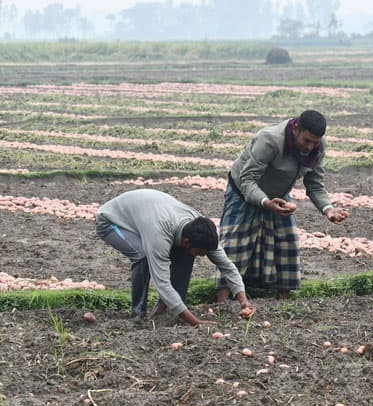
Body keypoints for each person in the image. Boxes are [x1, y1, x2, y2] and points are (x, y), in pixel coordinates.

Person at [216, 109, 349, 300]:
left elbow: (314, 184)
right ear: (295, 129)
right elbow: (248, 179)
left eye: (315, 142)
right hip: (243, 191)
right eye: (307, 141)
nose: (310, 147)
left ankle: (283, 299)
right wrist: (265, 202)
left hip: (278, 195)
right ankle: (222, 301)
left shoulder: (318, 147)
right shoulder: (269, 140)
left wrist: (328, 209)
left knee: (287, 243)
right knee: (236, 244)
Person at [96, 189, 253, 326]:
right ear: (186, 241)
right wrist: (195, 322)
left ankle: (165, 309)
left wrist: (243, 301)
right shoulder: (159, 236)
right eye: (201, 252)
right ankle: (138, 313)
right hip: (112, 221)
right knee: (142, 256)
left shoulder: (199, 228)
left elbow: (227, 266)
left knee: (186, 255)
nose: (204, 256)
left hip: (148, 212)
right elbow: (162, 283)